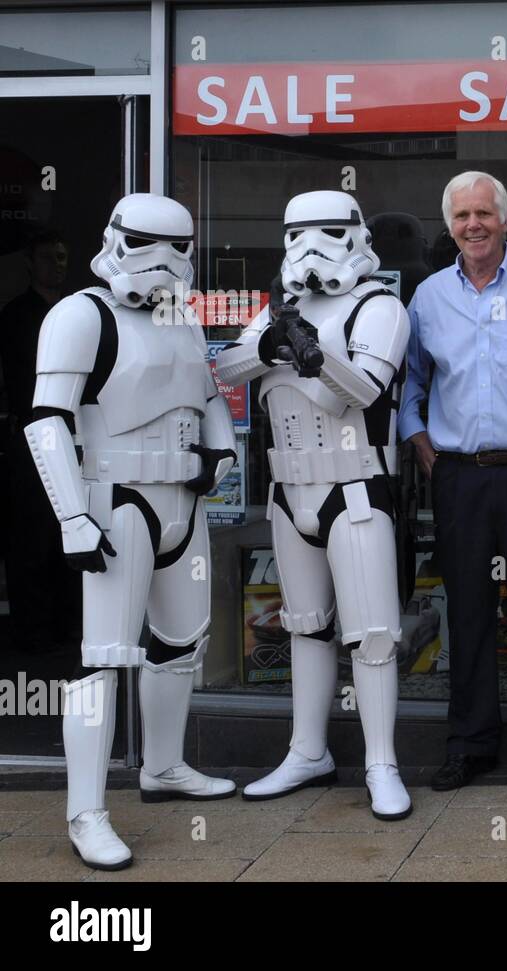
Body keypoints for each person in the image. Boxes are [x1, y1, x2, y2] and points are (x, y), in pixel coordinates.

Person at [24, 194, 238, 869]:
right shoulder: (80, 314)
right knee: (104, 656)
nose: (168, 261)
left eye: (180, 247)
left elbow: (208, 396)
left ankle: (165, 765)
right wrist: (72, 516)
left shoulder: (185, 321)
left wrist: (221, 453)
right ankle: (86, 810)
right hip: (116, 500)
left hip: (183, 502)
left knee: (181, 642)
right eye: (151, 244)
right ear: (117, 239)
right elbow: (47, 419)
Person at [216, 190, 412, 821]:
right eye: (297, 233)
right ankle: (307, 751)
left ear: (354, 234)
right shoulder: (281, 309)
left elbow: (364, 389)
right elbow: (226, 366)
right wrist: (274, 343)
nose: (311, 246)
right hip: (287, 491)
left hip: (355, 486)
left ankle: (381, 761)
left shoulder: (379, 305)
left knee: (373, 633)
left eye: (326, 231)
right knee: (305, 627)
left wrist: (310, 354)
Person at [398, 172, 507, 791]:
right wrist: (417, 435)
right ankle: (469, 743)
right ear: (450, 226)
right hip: (460, 477)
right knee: (467, 613)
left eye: (484, 214)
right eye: (463, 215)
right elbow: (412, 379)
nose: (474, 225)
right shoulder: (427, 298)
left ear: (504, 221)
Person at [2, 228, 77, 653]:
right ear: (30, 262)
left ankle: (69, 624)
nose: (58, 264)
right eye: (50, 257)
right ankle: (31, 630)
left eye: (63, 256)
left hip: (73, 432)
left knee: (71, 526)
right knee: (29, 534)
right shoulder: (14, 315)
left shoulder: (76, 312)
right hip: (28, 433)